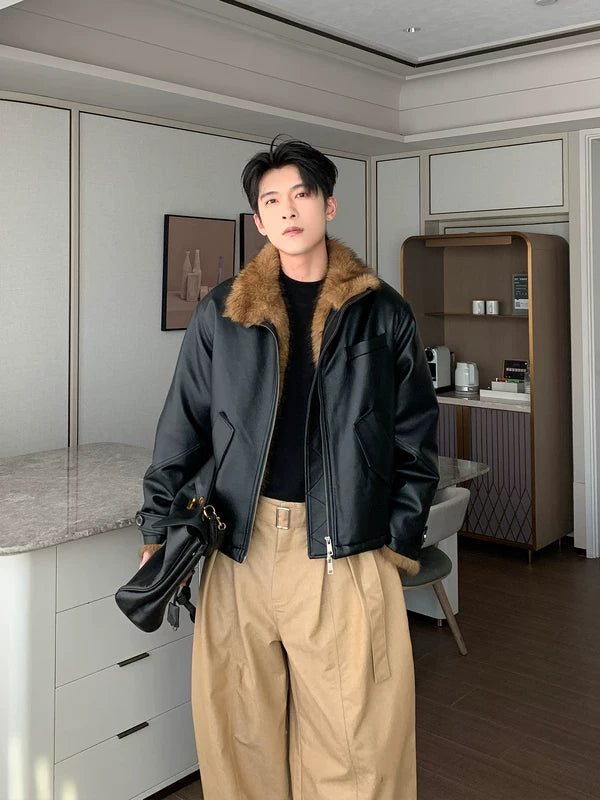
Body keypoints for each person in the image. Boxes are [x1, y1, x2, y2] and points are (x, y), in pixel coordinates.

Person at [136, 137, 439, 799]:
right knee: (239, 733)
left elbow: (415, 438)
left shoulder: (382, 311)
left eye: (301, 194)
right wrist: (157, 529)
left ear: (328, 205)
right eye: (272, 201)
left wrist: (395, 539)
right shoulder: (223, 312)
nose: (288, 210)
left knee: (355, 743)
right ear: (258, 220)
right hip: (238, 545)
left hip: (345, 547)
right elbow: (182, 427)